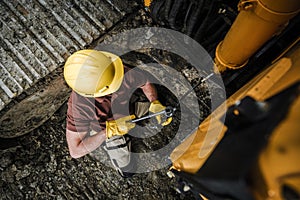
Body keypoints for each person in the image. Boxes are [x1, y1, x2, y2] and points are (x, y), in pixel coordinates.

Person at [63, 49, 172, 177]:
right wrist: (108, 131)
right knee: (127, 170)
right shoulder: (79, 107)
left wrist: (155, 102)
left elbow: (145, 82)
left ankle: (140, 118)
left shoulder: (113, 70)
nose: (118, 80)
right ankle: (118, 145)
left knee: (164, 110)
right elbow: (75, 151)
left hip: (128, 111)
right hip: (105, 128)